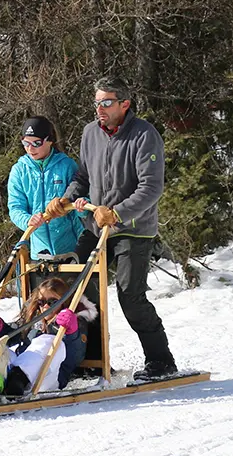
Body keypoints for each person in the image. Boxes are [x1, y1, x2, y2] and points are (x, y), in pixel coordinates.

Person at [64, 76, 177, 380]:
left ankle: (161, 360)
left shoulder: (144, 135)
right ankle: (91, 361)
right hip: (96, 225)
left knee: (130, 295)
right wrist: (67, 198)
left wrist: (117, 213)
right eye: (96, 102)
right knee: (76, 289)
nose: (99, 108)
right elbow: (83, 176)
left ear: (124, 104)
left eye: (106, 102)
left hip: (133, 228)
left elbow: (151, 187)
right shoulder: (90, 133)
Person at [0, 277, 97, 395]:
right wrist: (1, 329)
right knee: (2, 350)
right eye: (41, 302)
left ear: (64, 302)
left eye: (52, 302)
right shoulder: (35, 317)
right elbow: (17, 337)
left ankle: (16, 382)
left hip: (50, 376)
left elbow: (76, 357)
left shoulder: (75, 320)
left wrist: (72, 333)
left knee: (47, 341)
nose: (46, 307)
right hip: (20, 371)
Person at [7, 116, 85, 260]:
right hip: (39, 252)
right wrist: (27, 220)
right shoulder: (19, 170)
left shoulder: (66, 165)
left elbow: (81, 197)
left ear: (49, 140)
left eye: (36, 143)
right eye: (25, 143)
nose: (30, 149)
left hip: (72, 248)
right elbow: (15, 207)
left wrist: (82, 208)